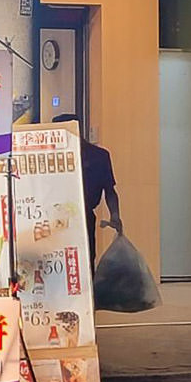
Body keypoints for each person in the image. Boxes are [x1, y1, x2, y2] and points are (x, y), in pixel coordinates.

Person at [52, 114, 123, 272]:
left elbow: (110, 190)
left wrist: (115, 215)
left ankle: (85, 293)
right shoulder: (52, 156)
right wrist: (115, 214)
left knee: (83, 258)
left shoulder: (98, 156)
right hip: (56, 216)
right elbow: (110, 191)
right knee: (66, 259)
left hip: (80, 215)